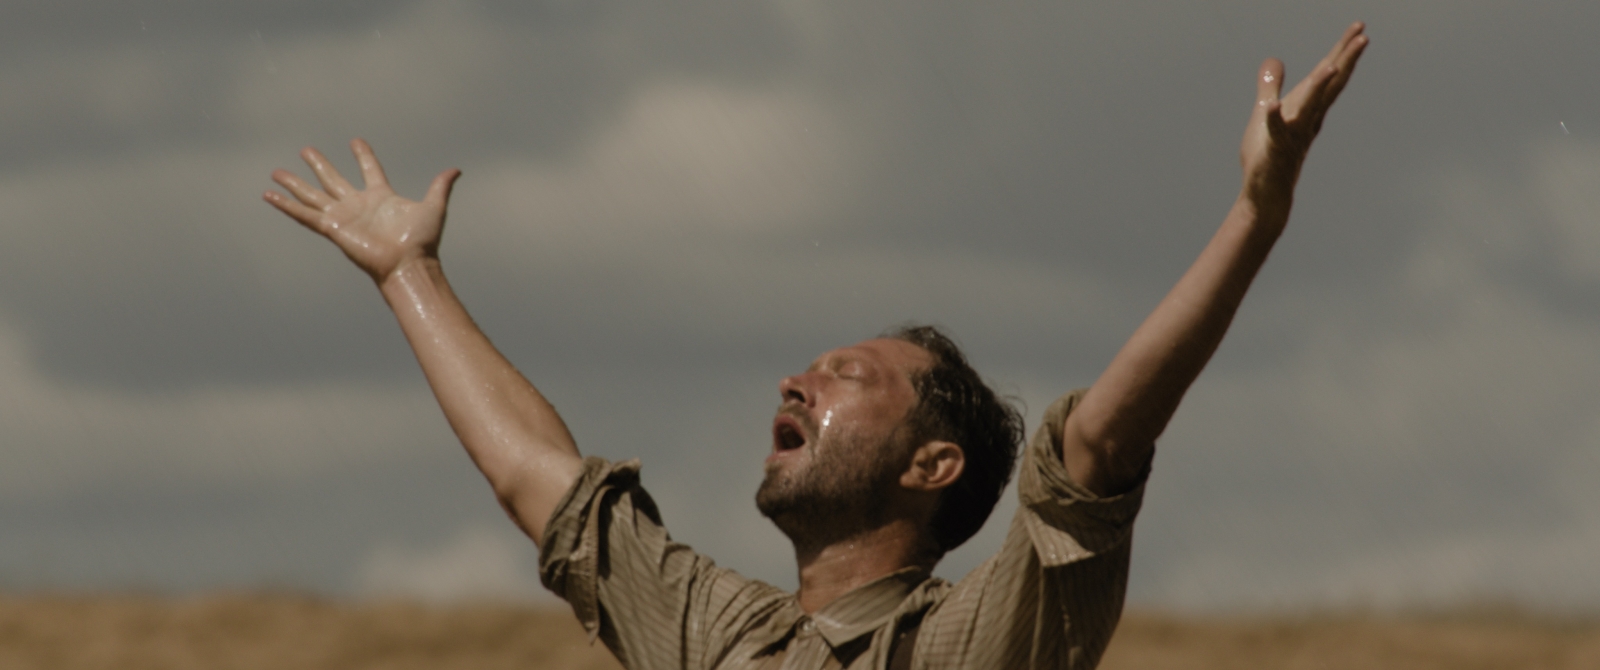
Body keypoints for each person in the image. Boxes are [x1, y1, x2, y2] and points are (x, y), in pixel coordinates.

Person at [263, 23, 1368, 670]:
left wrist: (1253, 218)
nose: (797, 379)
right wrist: (408, 274)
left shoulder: (980, 640)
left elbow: (1103, 443)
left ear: (933, 464)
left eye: (849, 376)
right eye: (810, 368)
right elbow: (540, 485)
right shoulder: (717, 636)